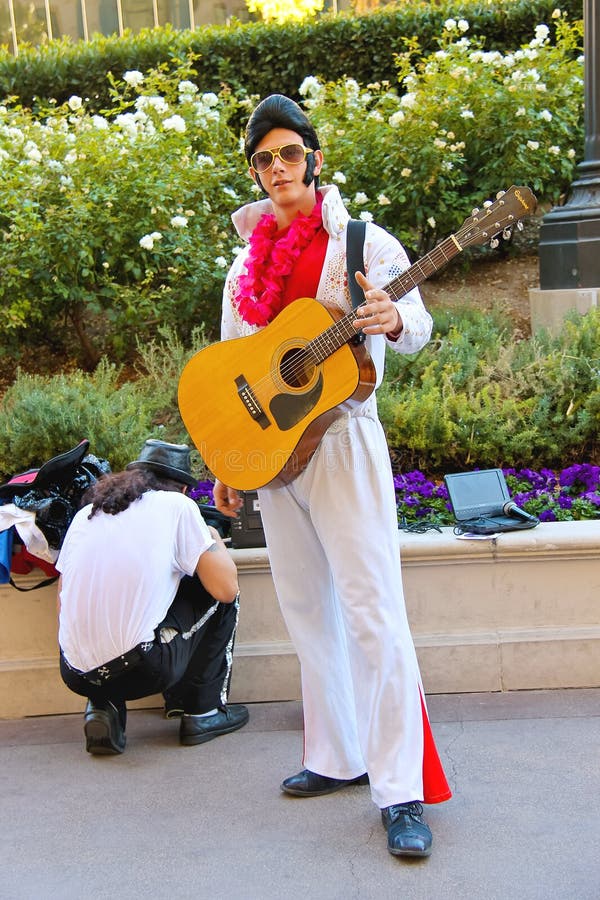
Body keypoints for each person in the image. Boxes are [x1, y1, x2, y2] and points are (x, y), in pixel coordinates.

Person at [213, 94, 451, 858]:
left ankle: (400, 790)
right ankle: (335, 756)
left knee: (372, 610)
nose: (277, 168)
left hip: (344, 440)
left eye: (288, 153)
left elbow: (417, 327)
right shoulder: (244, 262)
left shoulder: (360, 242)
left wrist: (391, 318)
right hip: (276, 459)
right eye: (263, 159)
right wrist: (231, 462)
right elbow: (232, 372)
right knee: (305, 608)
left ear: (313, 157)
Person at [57, 438, 249, 755]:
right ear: (184, 489)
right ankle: (203, 713)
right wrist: (211, 535)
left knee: (118, 605)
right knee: (220, 595)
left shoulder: (87, 514)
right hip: (141, 671)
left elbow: (64, 599)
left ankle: (102, 708)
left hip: (74, 672)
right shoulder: (177, 506)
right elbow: (226, 588)